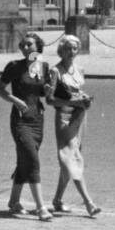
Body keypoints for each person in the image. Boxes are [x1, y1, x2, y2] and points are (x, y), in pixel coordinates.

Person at [0, 32, 53, 221]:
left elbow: (43, 93)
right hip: (20, 119)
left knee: (25, 160)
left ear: (38, 48)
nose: (25, 48)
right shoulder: (14, 67)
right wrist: (15, 100)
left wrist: (48, 90)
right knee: (33, 160)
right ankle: (41, 207)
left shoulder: (42, 66)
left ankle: (13, 202)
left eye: (29, 45)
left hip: (37, 118)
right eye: (23, 45)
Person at [47, 35, 101, 218]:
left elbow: (78, 92)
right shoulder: (55, 71)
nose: (71, 52)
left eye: (75, 49)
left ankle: (57, 200)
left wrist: (84, 100)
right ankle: (89, 203)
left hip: (80, 117)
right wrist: (73, 102)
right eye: (68, 48)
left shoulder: (80, 69)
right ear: (61, 50)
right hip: (64, 117)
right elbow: (50, 99)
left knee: (70, 159)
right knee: (72, 158)